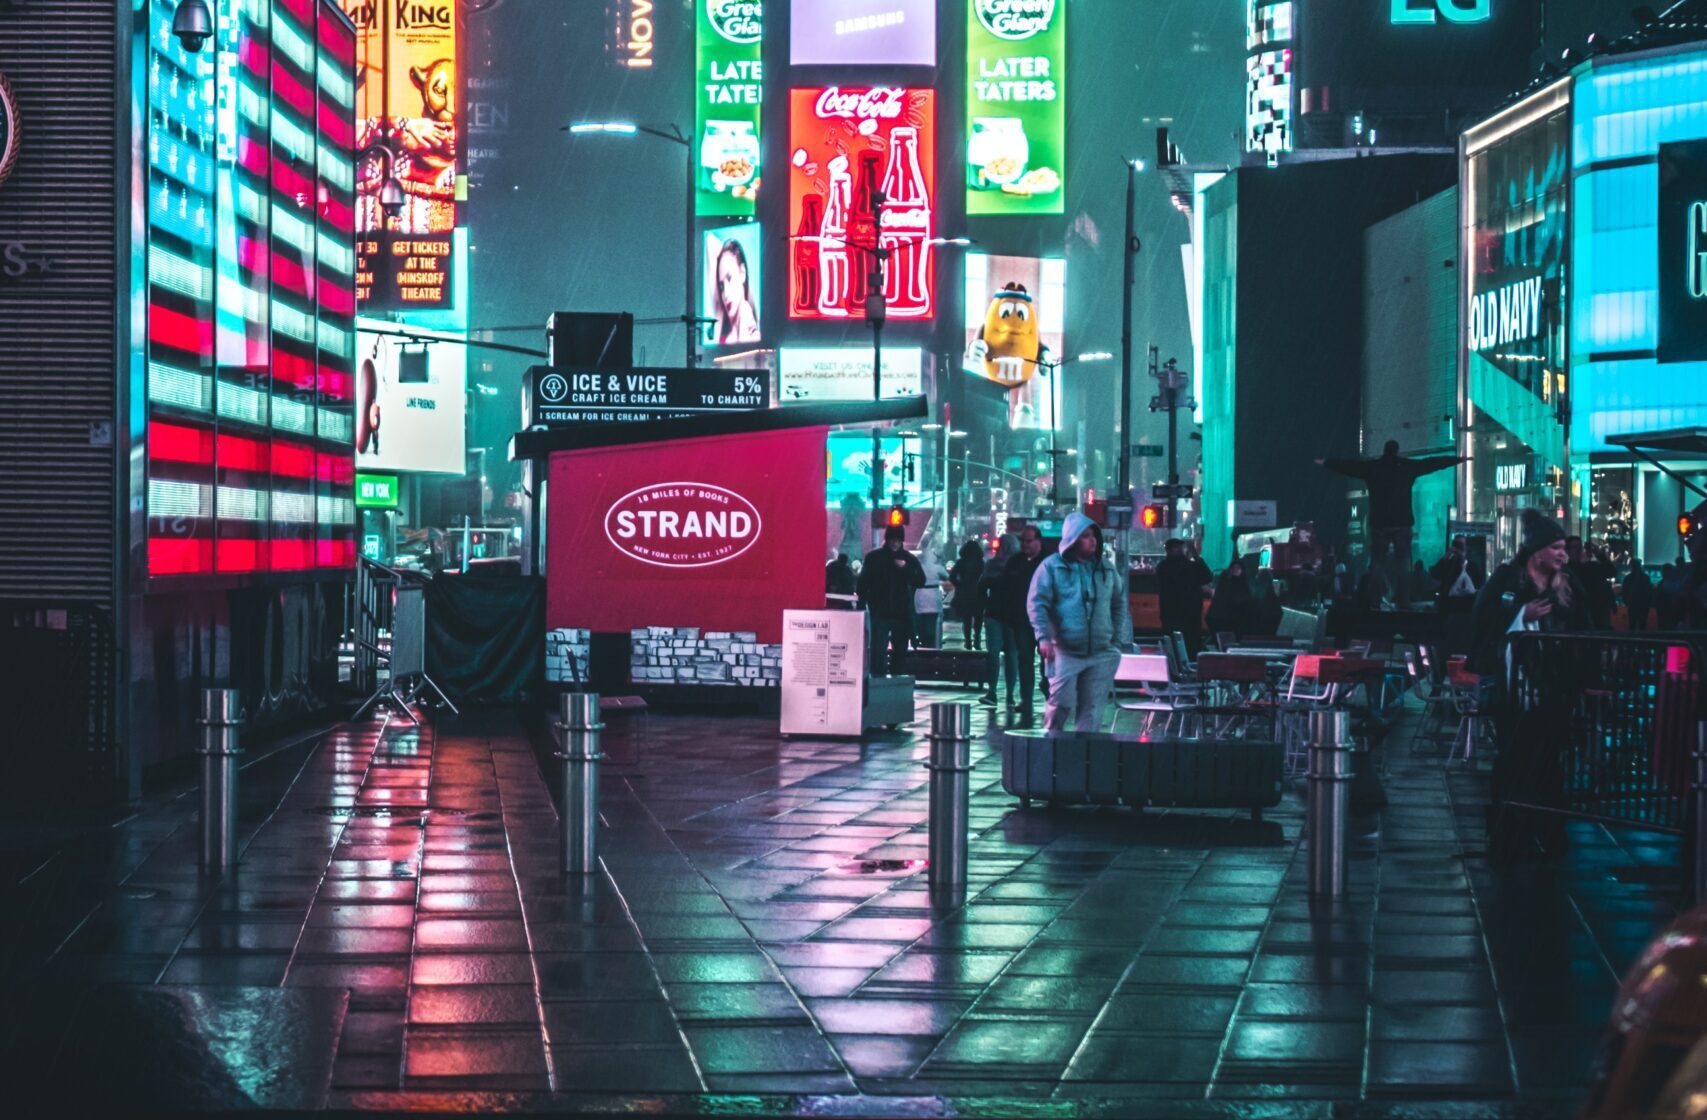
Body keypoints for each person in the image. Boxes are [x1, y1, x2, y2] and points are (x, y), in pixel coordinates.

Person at [1317, 441, 1465, 607]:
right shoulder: (1406, 467)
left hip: (1379, 523)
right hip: (1402, 523)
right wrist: (1458, 459)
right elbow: (1432, 463)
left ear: (1384, 450)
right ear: (1397, 451)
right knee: (1403, 561)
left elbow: (1349, 467)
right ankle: (1403, 600)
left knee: (1378, 562)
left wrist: (1327, 463)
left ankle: (1374, 600)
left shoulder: (1373, 467)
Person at [1026, 512, 1133, 732]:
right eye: (1085, 536)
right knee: (1060, 704)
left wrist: (1113, 637)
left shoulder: (1106, 568)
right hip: (1065, 650)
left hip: (1101, 651)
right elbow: (1037, 604)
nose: (1092, 540)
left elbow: (1118, 602)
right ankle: (1050, 746)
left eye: (1093, 535)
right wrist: (1044, 638)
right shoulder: (1052, 567)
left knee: (1092, 710)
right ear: (1072, 540)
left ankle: (1084, 758)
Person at [1468, 509, 1594, 679]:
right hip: (1512, 675)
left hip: (1558, 675)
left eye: (1563, 548)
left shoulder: (1568, 582)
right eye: (1555, 547)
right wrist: (1520, 614)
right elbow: (1482, 616)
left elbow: (1583, 622)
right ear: (1537, 551)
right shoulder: (1508, 577)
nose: (1562, 554)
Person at [986, 525, 1048, 721]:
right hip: (1021, 620)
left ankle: (1048, 691)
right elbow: (1006, 589)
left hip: (1045, 621)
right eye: (1023, 541)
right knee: (1024, 660)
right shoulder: (1016, 562)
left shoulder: (1048, 562)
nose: (1025, 545)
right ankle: (1026, 699)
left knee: (1047, 662)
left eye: (1029, 541)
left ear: (1038, 541)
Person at [858, 524, 925, 675]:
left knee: (883, 648)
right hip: (892, 611)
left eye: (897, 540)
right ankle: (891, 677)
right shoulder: (907, 558)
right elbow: (920, 580)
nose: (895, 543)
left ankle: (881, 678)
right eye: (892, 540)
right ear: (888, 540)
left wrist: (863, 604)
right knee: (889, 649)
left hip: (888, 611)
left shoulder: (874, 558)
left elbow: (921, 580)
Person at [1155, 539, 1213, 657]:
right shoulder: (1165, 567)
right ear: (1169, 550)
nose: (1180, 550)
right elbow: (1205, 576)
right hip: (1174, 614)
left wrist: (1195, 557)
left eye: (1181, 547)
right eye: (1177, 548)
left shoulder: (1186, 566)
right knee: (1177, 646)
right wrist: (1194, 557)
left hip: (1190, 614)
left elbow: (1207, 577)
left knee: (1191, 645)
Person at [711, 237, 760, 345]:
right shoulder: (722, 334)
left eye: (729, 278)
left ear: (742, 272)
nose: (726, 294)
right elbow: (709, 242)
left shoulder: (755, 335)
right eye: (721, 287)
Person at [1565, 536, 1616, 631]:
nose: (1579, 550)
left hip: (1595, 615)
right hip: (1577, 616)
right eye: (1575, 547)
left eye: (1580, 547)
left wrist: (1599, 554)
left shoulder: (1591, 567)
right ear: (1567, 551)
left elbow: (1611, 572)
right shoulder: (1567, 570)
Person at [948, 540, 986, 652]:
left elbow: (952, 577)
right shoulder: (980, 562)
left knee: (967, 619)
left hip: (964, 593)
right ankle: (977, 640)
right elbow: (985, 576)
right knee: (978, 618)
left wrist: (959, 585)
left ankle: (968, 641)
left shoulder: (961, 562)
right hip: (978, 592)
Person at [1206, 559, 1257, 638]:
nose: (1235, 570)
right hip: (1226, 622)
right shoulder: (1226, 584)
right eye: (1234, 568)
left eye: (1238, 568)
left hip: (1236, 623)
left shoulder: (1244, 585)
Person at [913, 540, 949, 648]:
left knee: (921, 620)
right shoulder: (937, 567)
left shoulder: (918, 564)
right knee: (931, 621)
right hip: (933, 596)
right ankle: (930, 641)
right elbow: (947, 577)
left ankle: (922, 639)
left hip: (920, 594)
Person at [1623, 562, 1653, 631]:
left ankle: (1633, 640)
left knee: (1632, 624)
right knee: (1642, 624)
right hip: (1643, 604)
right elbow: (1649, 591)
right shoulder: (1645, 578)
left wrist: (1626, 601)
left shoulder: (1628, 578)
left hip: (1633, 603)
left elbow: (1624, 591)